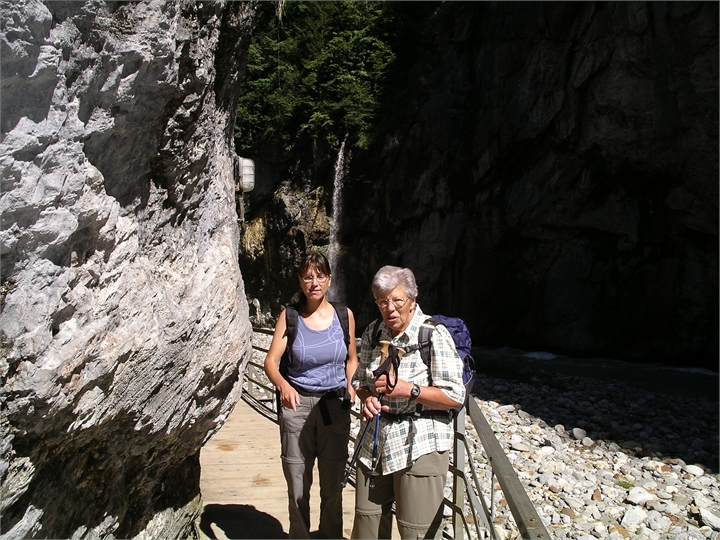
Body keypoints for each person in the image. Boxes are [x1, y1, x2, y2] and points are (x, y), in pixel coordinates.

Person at [351, 265, 465, 540]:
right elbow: (359, 381)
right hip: (375, 442)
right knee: (367, 525)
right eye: (382, 302)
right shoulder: (373, 332)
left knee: (417, 532)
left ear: (413, 299)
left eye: (397, 300)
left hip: (420, 444)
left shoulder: (433, 335)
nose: (389, 309)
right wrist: (367, 398)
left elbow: (454, 396)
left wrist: (408, 390)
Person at [264, 252, 359, 539]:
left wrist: (350, 384)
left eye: (319, 276)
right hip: (298, 405)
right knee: (297, 483)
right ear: (300, 281)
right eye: (308, 277)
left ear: (329, 279)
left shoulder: (344, 315)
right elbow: (271, 362)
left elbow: (352, 358)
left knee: (333, 483)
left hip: (334, 405)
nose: (314, 283)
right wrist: (284, 386)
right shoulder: (290, 316)